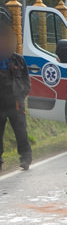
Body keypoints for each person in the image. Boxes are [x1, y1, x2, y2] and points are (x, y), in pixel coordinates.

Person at [0, 18, 32, 172]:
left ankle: (25, 158)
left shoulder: (18, 59)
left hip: (16, 102)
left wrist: (21, 97)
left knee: (21, 131)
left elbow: (26, 81)